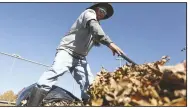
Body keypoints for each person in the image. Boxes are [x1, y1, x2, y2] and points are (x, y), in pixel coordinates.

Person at [27, 3, 125, 106]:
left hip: (80, 58)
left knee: (89, 84)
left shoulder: (97, 25)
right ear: (95, 9)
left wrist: (102, 41)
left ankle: (89, 104)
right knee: (55, 71)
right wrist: (110, 43)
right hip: (67, 51)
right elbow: (95, 29)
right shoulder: (88, 14)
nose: (102, 14)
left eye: (104, 13)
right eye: (101, 10)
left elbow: (97, 35)